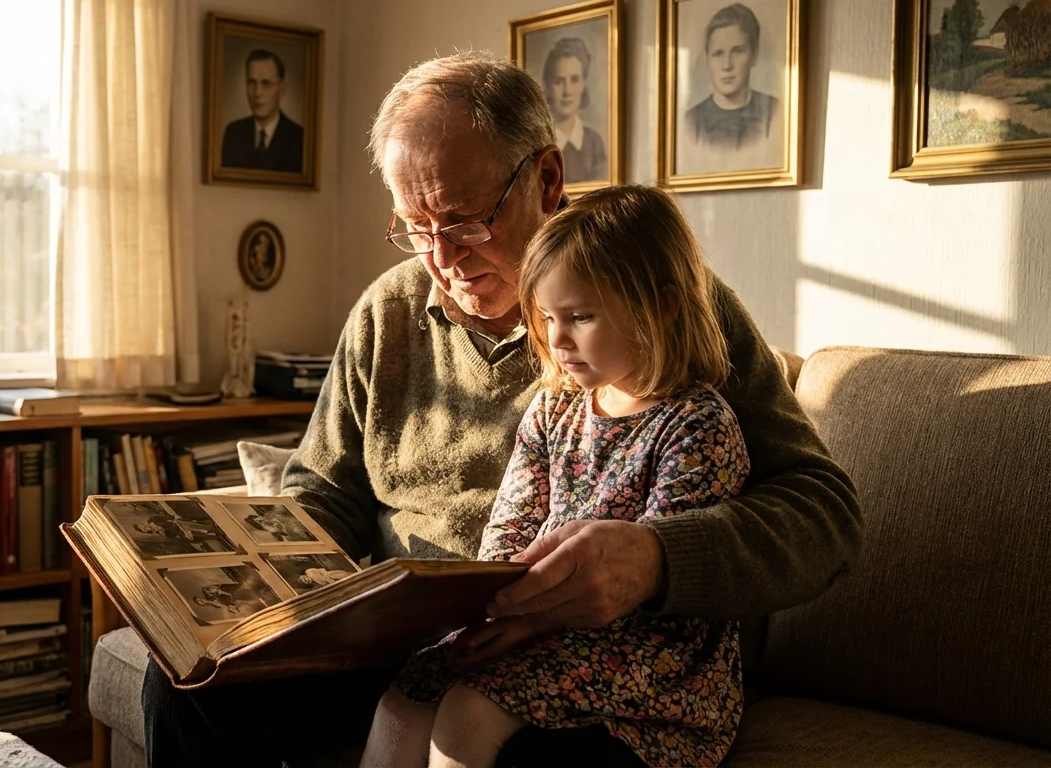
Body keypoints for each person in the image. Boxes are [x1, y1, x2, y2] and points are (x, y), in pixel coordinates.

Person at [142, 51, 861, 768]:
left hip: (584, 654)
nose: (442, 258)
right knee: (188, 680)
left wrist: (656, 559)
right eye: (414, 227)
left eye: (463, 221)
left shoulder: (655, 306)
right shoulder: (386, 314)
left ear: (546, 179)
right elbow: (322, 496)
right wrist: (256, 582)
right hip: (405, 647)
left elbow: (824, 515)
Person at [361, 185, 751, 768]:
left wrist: (529, 623)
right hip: (541, 624)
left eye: (581, 316)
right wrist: (482, 606)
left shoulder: (698, 424)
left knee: (470, 706)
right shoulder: (556, 408)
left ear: (664, 306)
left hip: (652, 659)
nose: (558, 339)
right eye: (547, 316)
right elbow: (511, 525)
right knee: (408, 691)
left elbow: (656, 585)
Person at [683, 3, 779, 153]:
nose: (727, 65)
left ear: (754, 55)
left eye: (737, 51)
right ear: (707, 59)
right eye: (718, 54)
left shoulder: (774, 113)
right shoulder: (692, 122)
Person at [221, 49, 305, 172]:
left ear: (282, 89)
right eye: (251, 83)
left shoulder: (299, 139)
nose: (257, 92)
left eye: (266, 83)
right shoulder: (233, 133)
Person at [542, 36, 607, 183]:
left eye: (574, 80)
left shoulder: (594, 142)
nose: (567, 91)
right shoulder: (539, 145)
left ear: (583, 84)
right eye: (559, 81)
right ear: (549, 86)